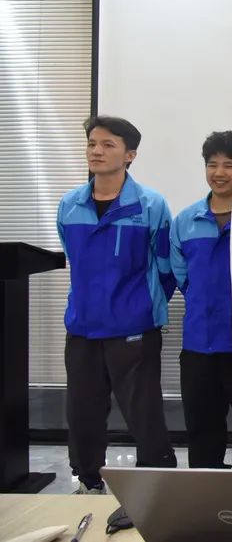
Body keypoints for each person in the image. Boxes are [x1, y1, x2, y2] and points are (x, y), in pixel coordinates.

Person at [57, 115, 177, 493]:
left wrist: (142, 308)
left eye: (108, 145)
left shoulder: (151, 205)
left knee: (144, 413)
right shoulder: (70, 205)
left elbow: (166, 268)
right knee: (83, 412)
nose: (96, 151)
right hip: (83, 328)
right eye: (92, 143)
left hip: (134, 329)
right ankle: (88, 480)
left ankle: (154, 484)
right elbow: (74, 259)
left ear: (130, 155)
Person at [170, 131, 232, 468]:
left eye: (229, 165)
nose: (219, 173)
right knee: (202, 432)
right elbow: (182, 276)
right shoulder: (186, 220)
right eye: (212, 164)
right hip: (199, 345)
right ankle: (206, 492)